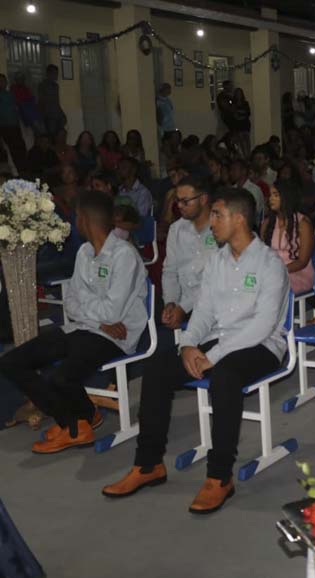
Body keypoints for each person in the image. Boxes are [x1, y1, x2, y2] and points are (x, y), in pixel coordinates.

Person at [102, 188, 290, 513]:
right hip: (219, 339)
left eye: (218, 215)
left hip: (262, 345)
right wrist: (188, 344)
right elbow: (203, 311)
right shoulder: (217, 260)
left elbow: (262, 325)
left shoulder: (269, 264)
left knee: (225, 377)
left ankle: (219, 477)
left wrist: (211, 357)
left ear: (240, 218)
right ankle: (149, 465)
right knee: (159, 368)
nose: (211, 222)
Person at [0, 191, 148, 453]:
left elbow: (112, 312)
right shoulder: (84, 252)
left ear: (87, 220)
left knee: (60, 378)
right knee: (12, 362)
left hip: (116, 337)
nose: (74, 221)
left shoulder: (124, 256)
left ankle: (76, 426)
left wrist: (96, 315)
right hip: (84, 328)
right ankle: (78, 420)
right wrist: (98, 318)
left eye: (77, 216)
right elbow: (71, 303)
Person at [159, 175, 216, 332]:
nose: (180, 206)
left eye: (185, 201)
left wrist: (183, 307)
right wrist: (170, 303)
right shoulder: (176, 229)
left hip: (214, 305)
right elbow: (170, 272)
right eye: (177, 201)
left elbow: (215, 281)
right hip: (183, 304)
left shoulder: (220, 228)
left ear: (203, 199)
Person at [261, 178, 315, 295]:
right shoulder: (267, 223)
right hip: (273, 271)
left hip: (297, 272)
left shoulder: (303, 224)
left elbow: (302, 261)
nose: (271, 199)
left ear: (287, 197)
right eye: (270, 195)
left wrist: (279, 271)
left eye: (275, 195)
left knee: (272, 285)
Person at [0, 73, 27, 174]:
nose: (3, 83)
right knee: (12, 149)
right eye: (1, 81)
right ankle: (18, 171)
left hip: (15, 125)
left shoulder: (10, 94)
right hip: (4, 127)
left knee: (20, 147)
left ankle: (24, 170)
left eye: (4, 81)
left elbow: (16, 109)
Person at [228, 159, 264, 223]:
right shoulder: (232, 189)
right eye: (230, 170)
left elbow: (254, 213)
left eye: (234, 170)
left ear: (243, 171)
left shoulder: (254, 190)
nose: (231, 172)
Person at [37, 65, 66, 138]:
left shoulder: (56, 86)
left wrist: (62, 114)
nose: (56, 76)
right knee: (51, 137)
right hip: (49, 116)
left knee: (60, 136)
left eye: (57, 73)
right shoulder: (42, 85)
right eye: (54, 73)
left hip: (58, 115)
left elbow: (56, 101)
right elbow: (40, 101)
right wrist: (41, 117)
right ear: (48, 74)